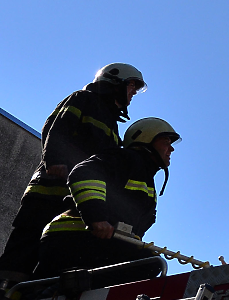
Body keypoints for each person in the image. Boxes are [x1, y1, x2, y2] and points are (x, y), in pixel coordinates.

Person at [0, 64, 146, 287]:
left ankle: (30, 293)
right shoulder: (82, 99)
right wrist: (55, 160)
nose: (133, 93)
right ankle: (6, 292)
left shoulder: (112, 126)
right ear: (115, 82)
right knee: (26, 244)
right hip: (49, 191)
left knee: (52, 249)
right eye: (132, 86)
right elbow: (56, 127)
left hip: (74, 197)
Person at [35, 117, 180, 279]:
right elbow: (84, 172)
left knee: (148, 262)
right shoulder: (124, 158)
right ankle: (58, 291)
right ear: (146, 139)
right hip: (71, 237)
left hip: (96, 243)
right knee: (148, 264)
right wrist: (96, 218)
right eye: (166, 141)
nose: (171, 149)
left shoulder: (147, 180)